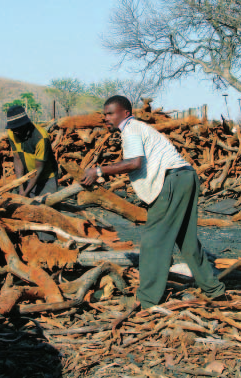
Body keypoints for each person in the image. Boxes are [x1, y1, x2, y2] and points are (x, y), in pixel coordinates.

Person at [81, 95, 226, 309]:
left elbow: (134, 162)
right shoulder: (137, 128)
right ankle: (214, 291)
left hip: (172, 180)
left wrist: (99, 170)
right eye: (105, 114)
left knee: (153, 242)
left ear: (125, 113)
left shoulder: (130, 129)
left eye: (111, 113)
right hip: (184, 176)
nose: (106, 118)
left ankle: (147, 300)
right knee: (186, 240)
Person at [6, 105, 58, 199]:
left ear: (25, 124)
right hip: (28, 176)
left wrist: (26, 193)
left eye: (18, 128)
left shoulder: (41, 137)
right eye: (13, 128)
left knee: (46, 206)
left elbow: (38, 170)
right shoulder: (11, 133)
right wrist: (21, 188)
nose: (15, 131)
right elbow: (18, 159)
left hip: (46, 177)